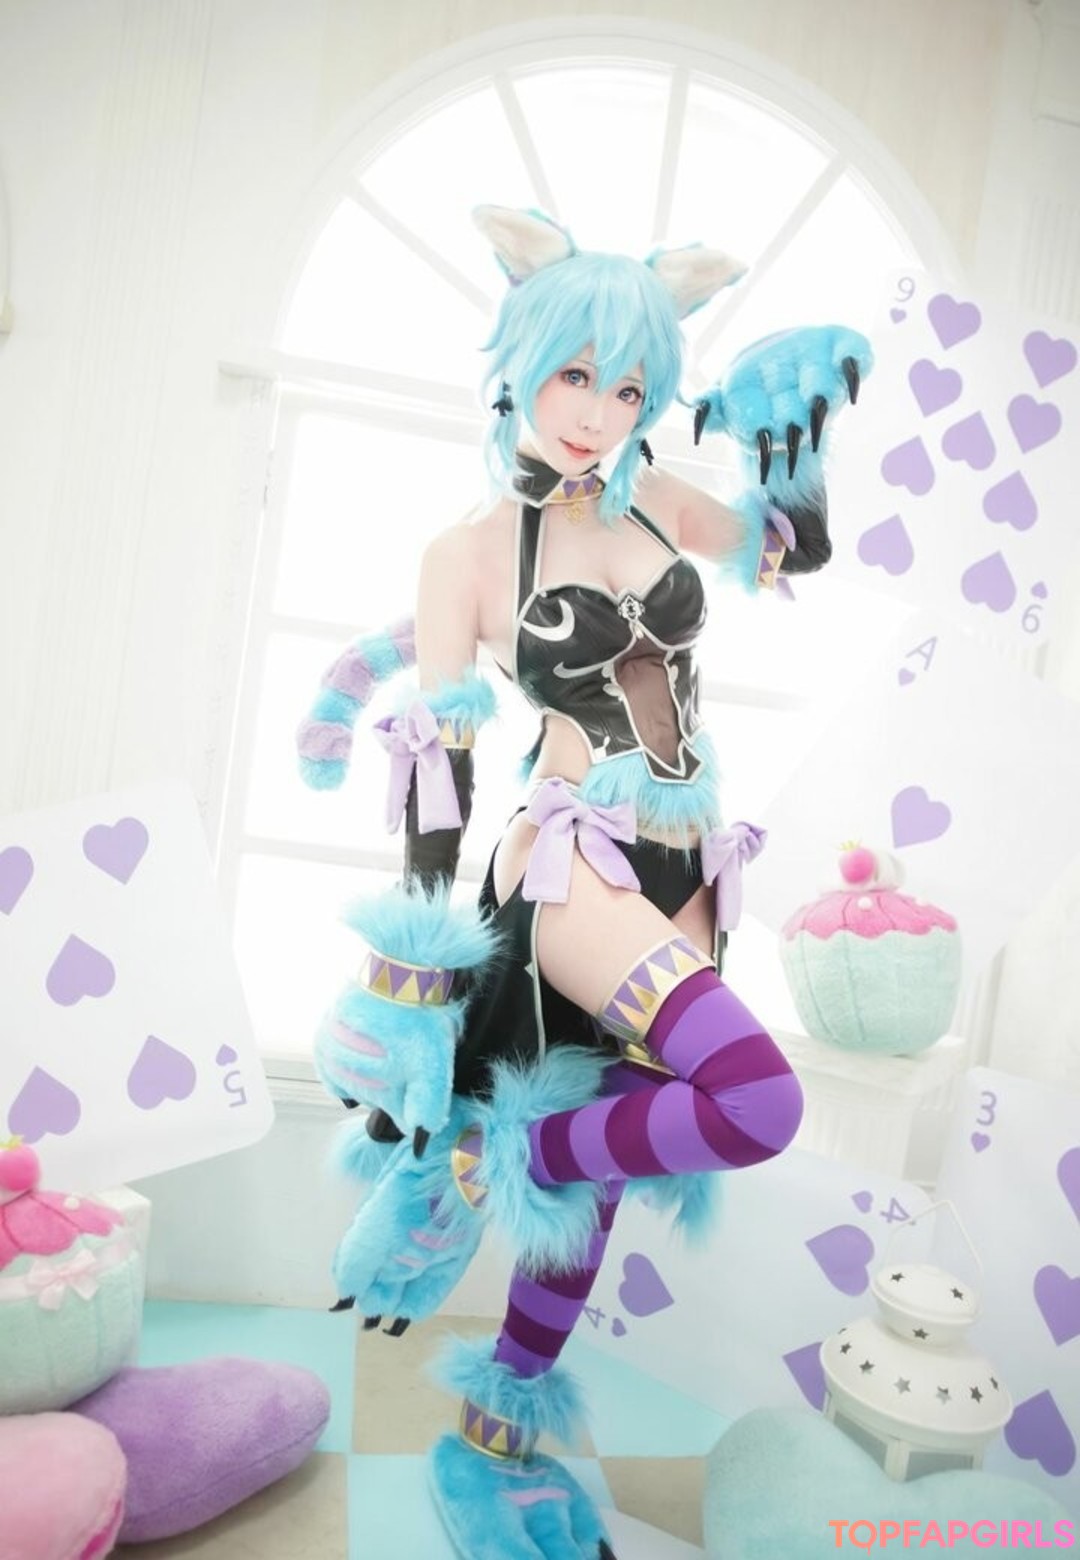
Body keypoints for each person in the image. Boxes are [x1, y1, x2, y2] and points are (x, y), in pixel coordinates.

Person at [297, 204, 871, 1560]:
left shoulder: (653, 500)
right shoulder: (466, 553)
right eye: (575, 375)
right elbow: (440, 756)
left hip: (688, 869)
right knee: (757, 1100)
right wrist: (416, 972)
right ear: (520, 360)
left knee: (604, 1177)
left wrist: (792, 446)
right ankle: (495, 1155)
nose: (598, 414)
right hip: (572, 865)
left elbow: (789, 553)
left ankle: (494, 1439)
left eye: (627, 388)